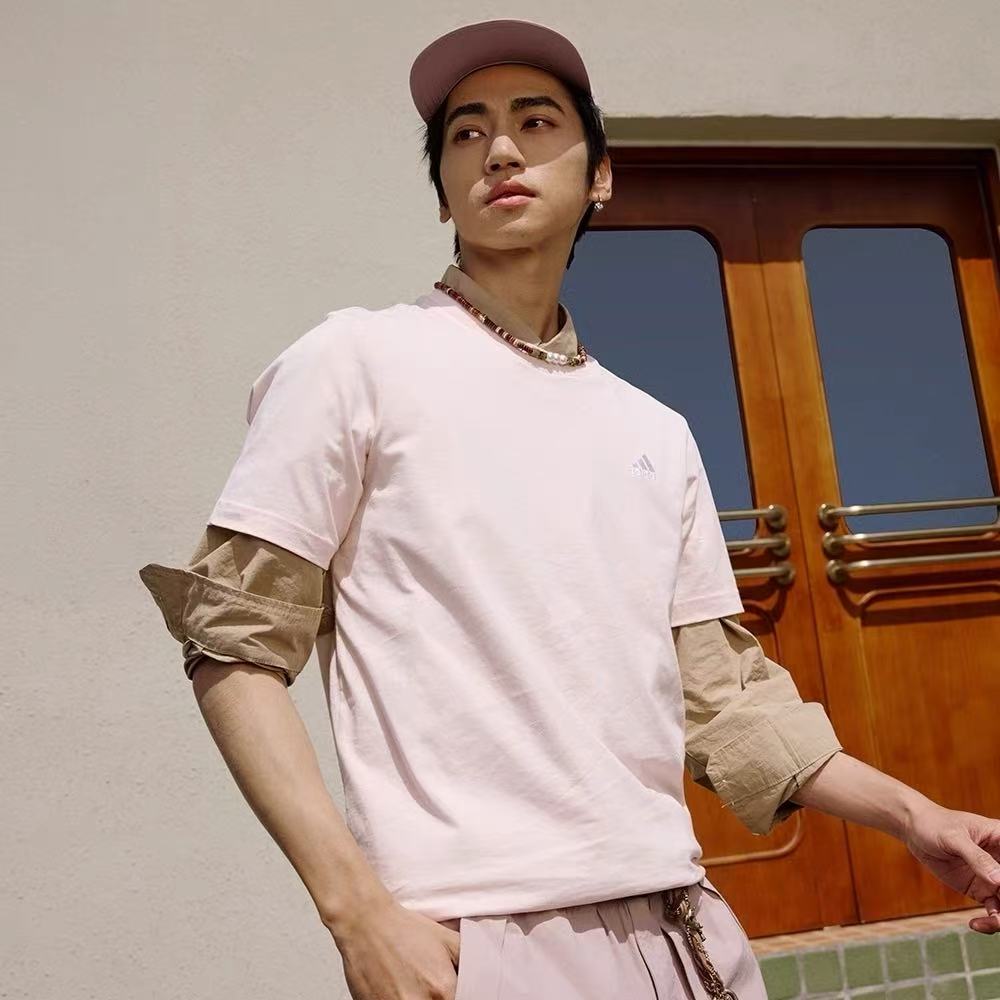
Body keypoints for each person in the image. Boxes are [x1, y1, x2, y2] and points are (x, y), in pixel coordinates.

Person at [139, 18, 1000, 1000]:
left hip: (685, 931)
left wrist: (915, 816)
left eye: (536, 121)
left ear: (600, 176)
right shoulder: (353, 363)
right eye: (466, 132)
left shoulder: (653, 430)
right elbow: (233, 642)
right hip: (486, 940)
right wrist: (357, 913)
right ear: (443, 191)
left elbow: (725, 702)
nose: (500, 149)